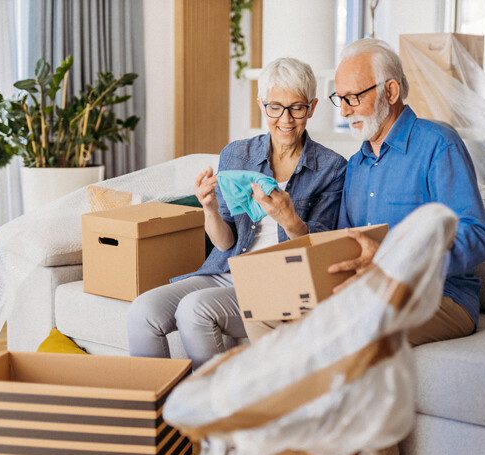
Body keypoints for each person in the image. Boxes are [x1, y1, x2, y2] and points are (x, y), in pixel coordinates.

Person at [127, 57, 346, 369]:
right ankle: (158, 413)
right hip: (226, 271)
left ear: (311, 107)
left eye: (296, 107)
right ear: (261, 105)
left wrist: (290, 219)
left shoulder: (331, 167)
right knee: (142, 310)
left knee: (194, 309)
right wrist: (210, 209)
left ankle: (212, 414)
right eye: (274, 107)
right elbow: (225, 242)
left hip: (281, 281)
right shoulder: (237, 154)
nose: (285, 118)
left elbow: (323, 249)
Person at [328, 38, 485, 347]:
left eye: (353, 97)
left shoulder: (438, 144)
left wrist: (400, 261)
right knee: (287, 323)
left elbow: (478, 236)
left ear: (390, 91)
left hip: (441, 295)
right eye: (340, 99)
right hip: (371, 294)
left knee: (352, 332)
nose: (345, 111)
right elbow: (347, 243)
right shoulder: (355, 166)